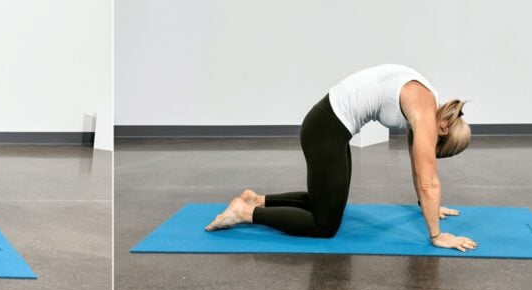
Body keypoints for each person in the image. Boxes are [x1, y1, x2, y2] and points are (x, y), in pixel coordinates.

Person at [205, 64, 478, 253]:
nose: (432, 150)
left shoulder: (429, 100)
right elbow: (430, 180)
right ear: (443, 129)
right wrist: (437, 235)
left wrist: (426, 205)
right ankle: (244, 212)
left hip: (329, 127)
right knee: (324, 225)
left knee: (326, 202)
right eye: (438, 147)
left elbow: (420, 169)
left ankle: (257, 199)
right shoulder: (426, 116)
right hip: (324, 130)